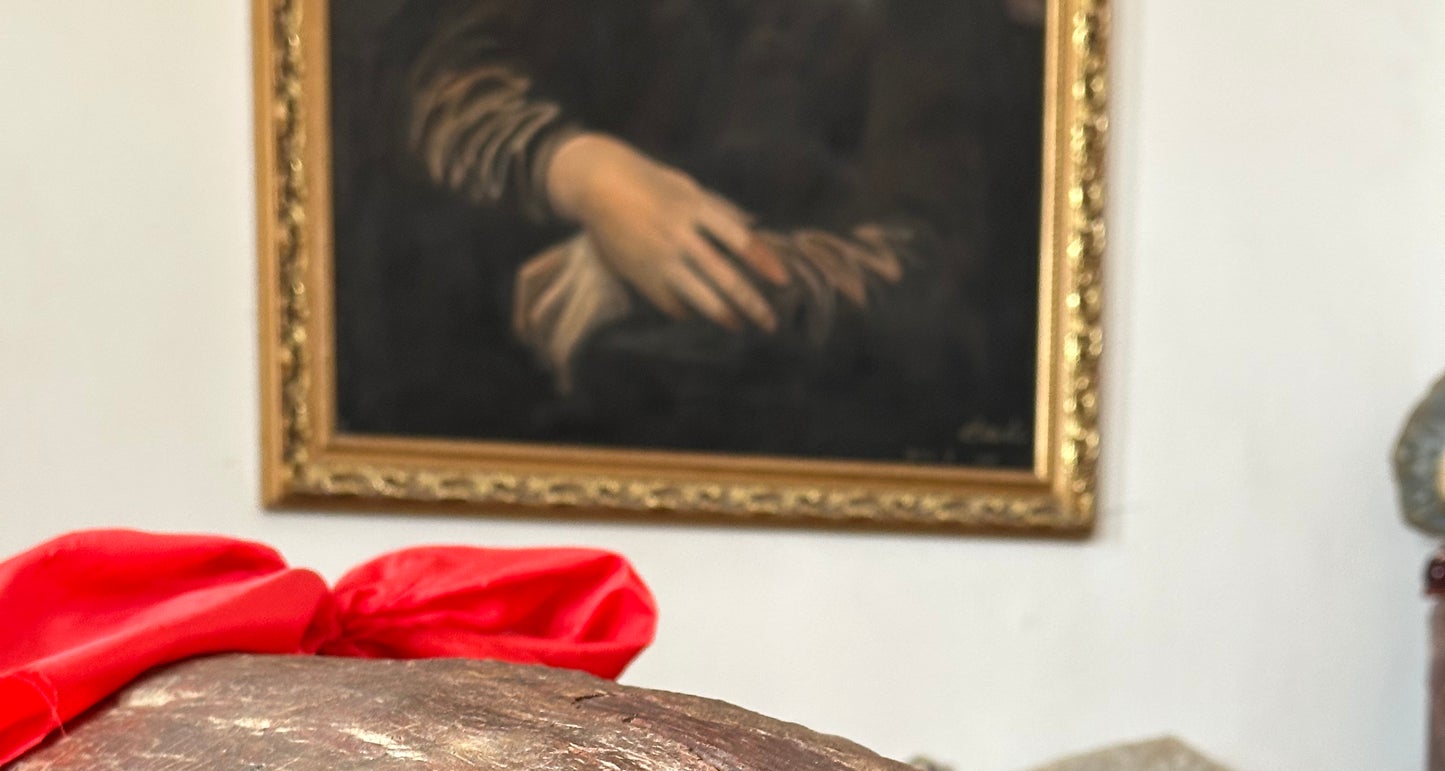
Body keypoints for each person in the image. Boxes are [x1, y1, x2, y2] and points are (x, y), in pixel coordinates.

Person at [332, 0, 1045, 464]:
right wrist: (576, 169)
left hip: (809, 439)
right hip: (475, 426)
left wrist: (666, 259)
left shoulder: (931, 28)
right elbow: (418, 76)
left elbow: (929, 271)